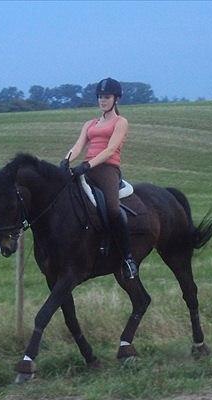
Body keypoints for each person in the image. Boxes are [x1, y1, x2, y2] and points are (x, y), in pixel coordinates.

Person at [60, 77, 138, 279]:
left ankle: (127, 258)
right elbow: (78, 146)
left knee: (112, 209)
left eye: (107, 97)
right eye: (100, 97)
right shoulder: (90, 124)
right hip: (86, 168)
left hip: (107, 170)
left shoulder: (121, 122)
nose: (102, 101)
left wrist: (87, 165)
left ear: (116, 99)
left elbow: (111, 148)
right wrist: (66, 160)